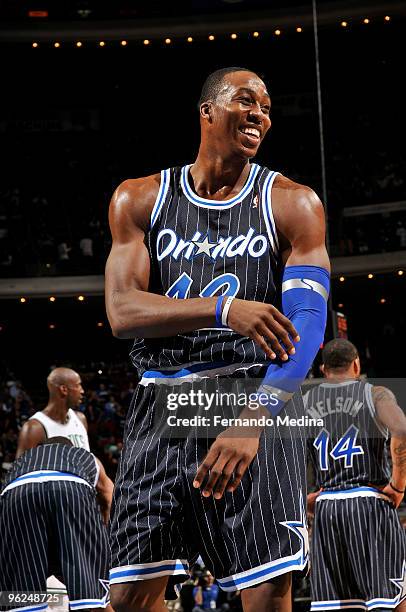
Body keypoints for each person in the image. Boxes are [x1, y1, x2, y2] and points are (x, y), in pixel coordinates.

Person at [105, 66, 330, 611]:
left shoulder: (293, 203)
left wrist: (254, 421)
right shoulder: (138, 199)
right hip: (162, 400)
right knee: (130, 595)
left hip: (248, 397)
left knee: (266, 591)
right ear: (207, 111)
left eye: (268, 108)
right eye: (246, 101)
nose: (261, 115)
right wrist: (225, 308)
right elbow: (122, 310)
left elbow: (307, 329)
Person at [305, 338, 406, 611]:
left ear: (323, 369)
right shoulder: (375, 394)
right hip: (369, 503)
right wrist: (398, 486)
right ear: (357, 363)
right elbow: (402, 429)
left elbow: (290, 456)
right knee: (390, 601)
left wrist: (306, 497)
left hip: (326, 510)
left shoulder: (303, 402)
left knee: (339, 605)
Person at [0, 437, 114, 612]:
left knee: (20, 597)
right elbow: (109, 494)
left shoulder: (22, 460)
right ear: (70, 448)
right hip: (70, 489)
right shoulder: (83, 455)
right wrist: (102, 541)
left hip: (17, 495)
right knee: (95, 597)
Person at [16, 367, 90, 457]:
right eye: (78, 385)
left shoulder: (81, 419)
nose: (82, 391)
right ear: (64, 389)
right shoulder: (34, 428)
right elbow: (20, 469)